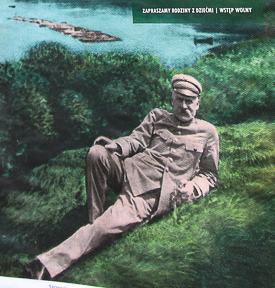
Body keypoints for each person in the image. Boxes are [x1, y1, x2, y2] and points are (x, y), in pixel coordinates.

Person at [27, 74, 220, 280]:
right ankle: (95, 218)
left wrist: (193, 188)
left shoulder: (208, 133)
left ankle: (44, 265)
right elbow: (136, 140)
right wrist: (116, 146)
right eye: (179, 99)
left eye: (189, 101)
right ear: (172, 99)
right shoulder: (157, 116)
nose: (184, 106)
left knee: (106, 224)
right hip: (131, 171)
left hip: (150, 194)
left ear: (198, 103)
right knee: (97, 153)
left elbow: (210, 175)